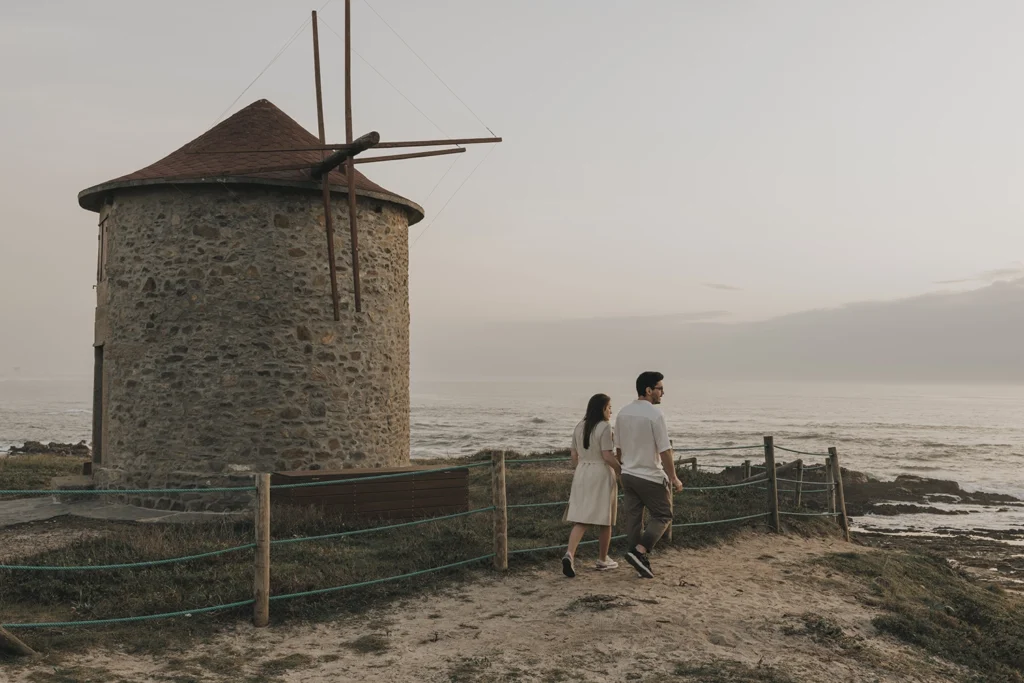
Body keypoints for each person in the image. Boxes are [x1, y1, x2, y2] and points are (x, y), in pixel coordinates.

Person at [615, 371, 682, 578]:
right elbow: (664, 450)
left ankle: (639, 562)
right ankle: (640, 552)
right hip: (650, 475)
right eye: (660, 388)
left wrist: (625, 467)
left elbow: (618, 449)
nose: (663, 392)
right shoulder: (655, 414)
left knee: (634, 520)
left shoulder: (622, 413)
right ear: (648, 390)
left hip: (628, 474)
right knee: (663, 515)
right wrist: (673, 477)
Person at [561, 393, 621, 578]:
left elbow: (573, 455)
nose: (611, 411)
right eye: (609, 407)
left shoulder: (579, 426)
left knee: (582, 517)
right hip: (601, 472)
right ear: (602, 408)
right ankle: (603, 559)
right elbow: (607, 455)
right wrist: (620, 470)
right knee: (606, 517)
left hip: (582, 472)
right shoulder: (604, 427)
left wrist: (581, 468)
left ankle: (569, 554)